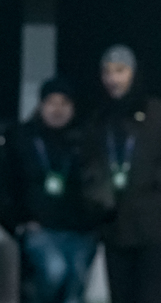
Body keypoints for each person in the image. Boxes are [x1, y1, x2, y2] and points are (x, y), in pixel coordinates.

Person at [82, 45, 161, 303]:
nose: (113, 79)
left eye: (120, 71)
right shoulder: (101, 118)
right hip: (117, 229)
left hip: (159, 230)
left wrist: (153, 180)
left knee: (155, 296)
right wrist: (97, 191)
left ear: (134, 73)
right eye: (107, 72)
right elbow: (89, 164)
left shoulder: (160, 115)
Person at [1, 78, 98, 303]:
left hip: (79, 232)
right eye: (52, 102)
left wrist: (95, 221)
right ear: (41, 105)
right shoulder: (21, 137)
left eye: (64, 103)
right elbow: (6, 183)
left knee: (75, 288)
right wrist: (17, 220)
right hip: (40, 229)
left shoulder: (83, 141)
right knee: (54, 273)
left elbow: (97, 185)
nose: (58, 109)